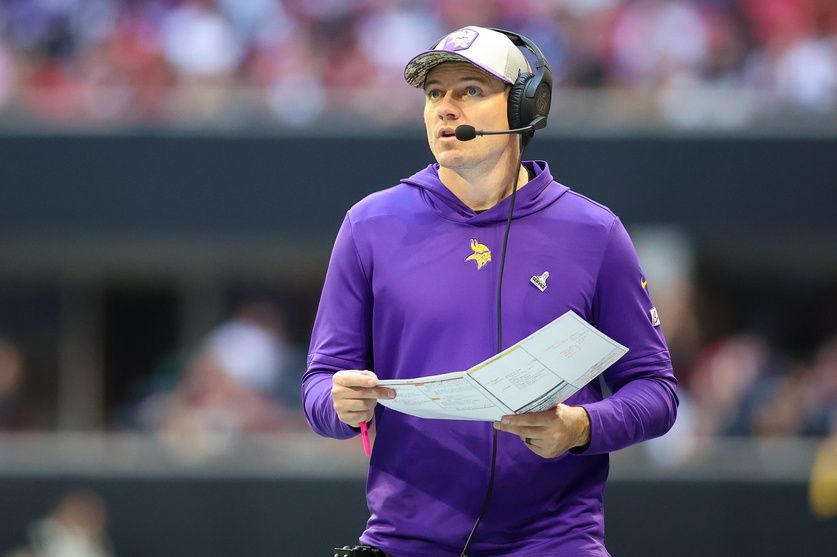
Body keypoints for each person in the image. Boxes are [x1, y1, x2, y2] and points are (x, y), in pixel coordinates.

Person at [302, 26, 678, 556]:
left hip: (555, 542)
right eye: (435, 93)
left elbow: (656, 391)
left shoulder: (594, 232)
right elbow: (319, 384)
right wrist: (338, 402)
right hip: (406, 541)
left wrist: (580, 426)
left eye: (470, 91)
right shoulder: (370, 225)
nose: (446, 108)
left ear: (526, 104)